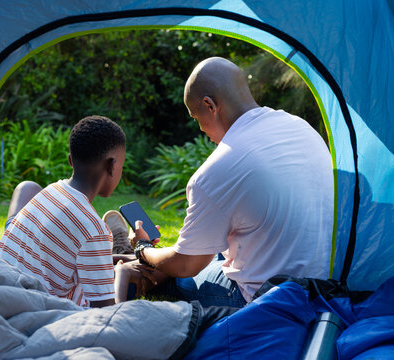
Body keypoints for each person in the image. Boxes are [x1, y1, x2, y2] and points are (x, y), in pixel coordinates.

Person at [116, 57, 334, 307]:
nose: (200, 129)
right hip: (324, 284)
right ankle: (139, 261)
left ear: (210, 105)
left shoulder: (219, 169)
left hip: (268, 297)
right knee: (211, 246)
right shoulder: (300, 127)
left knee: (181, 275)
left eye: (196, 118)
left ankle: (136, 266)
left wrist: (143, 248)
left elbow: (187, 265)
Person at [0, 115, 129, 308]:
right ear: (112, 166)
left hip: (1, 287)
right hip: (31, 309)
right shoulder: (94, 229)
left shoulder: (50, 191)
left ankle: (123, 253)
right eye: (122, 165)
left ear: (70, 161)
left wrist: (122, 260)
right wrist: (123, 274)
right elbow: (107, 316)